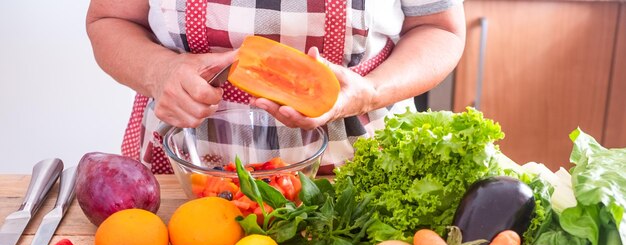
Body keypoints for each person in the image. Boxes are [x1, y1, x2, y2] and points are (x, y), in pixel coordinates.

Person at [86, 0, 466, 174]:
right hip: (193, 168)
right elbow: (109, 18)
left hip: (356, 165)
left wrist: (369, 90)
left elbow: (439, 29)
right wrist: (159, 71)